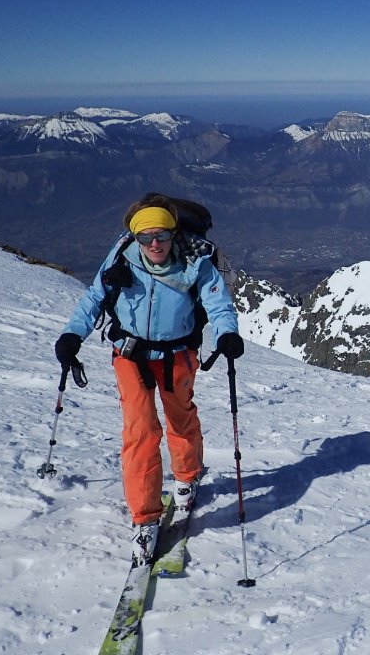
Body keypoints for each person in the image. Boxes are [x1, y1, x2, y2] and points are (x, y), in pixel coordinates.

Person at [54, 194, 245, 566]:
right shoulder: (122, 256)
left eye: (161, 235)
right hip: (130, 354)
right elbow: (94, 298)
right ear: (135, 238)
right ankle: (144, 517)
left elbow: (218, 303)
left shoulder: (198, 263)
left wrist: (227, 334)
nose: (154, 243)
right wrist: (72, 334)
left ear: (174, 234)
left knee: (180, 416)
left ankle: (187, 474)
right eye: (145, 237)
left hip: (178, 354)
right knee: (141, 430)